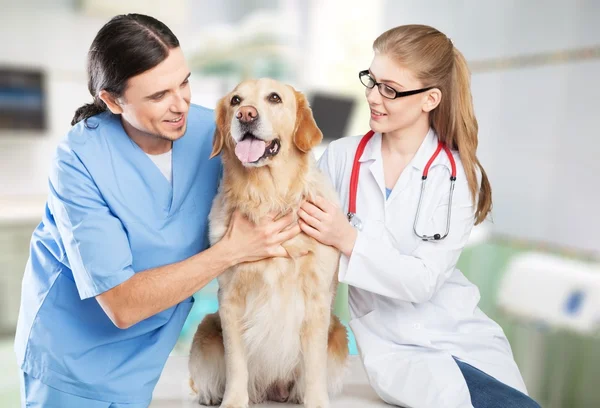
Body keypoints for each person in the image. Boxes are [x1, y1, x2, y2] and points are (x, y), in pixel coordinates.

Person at [14, 13, 300, 408]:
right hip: (71, 363)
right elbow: (123, 304)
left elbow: (289, 165)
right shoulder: (77, 160)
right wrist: (232, 250)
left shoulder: (212, 132)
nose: (180, 104)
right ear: (112, 101)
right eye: (158, 95)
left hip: (145, 362)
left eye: (183, 83)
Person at [298, 24, 541, 408]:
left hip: (464, 339)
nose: (373, 97)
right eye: (372, 81)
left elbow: (423, 282)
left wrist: (346, 237)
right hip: (397, 352)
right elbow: (305, 254)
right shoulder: (342, 159)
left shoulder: (457, 174)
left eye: (390, 89)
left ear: (430, 99)